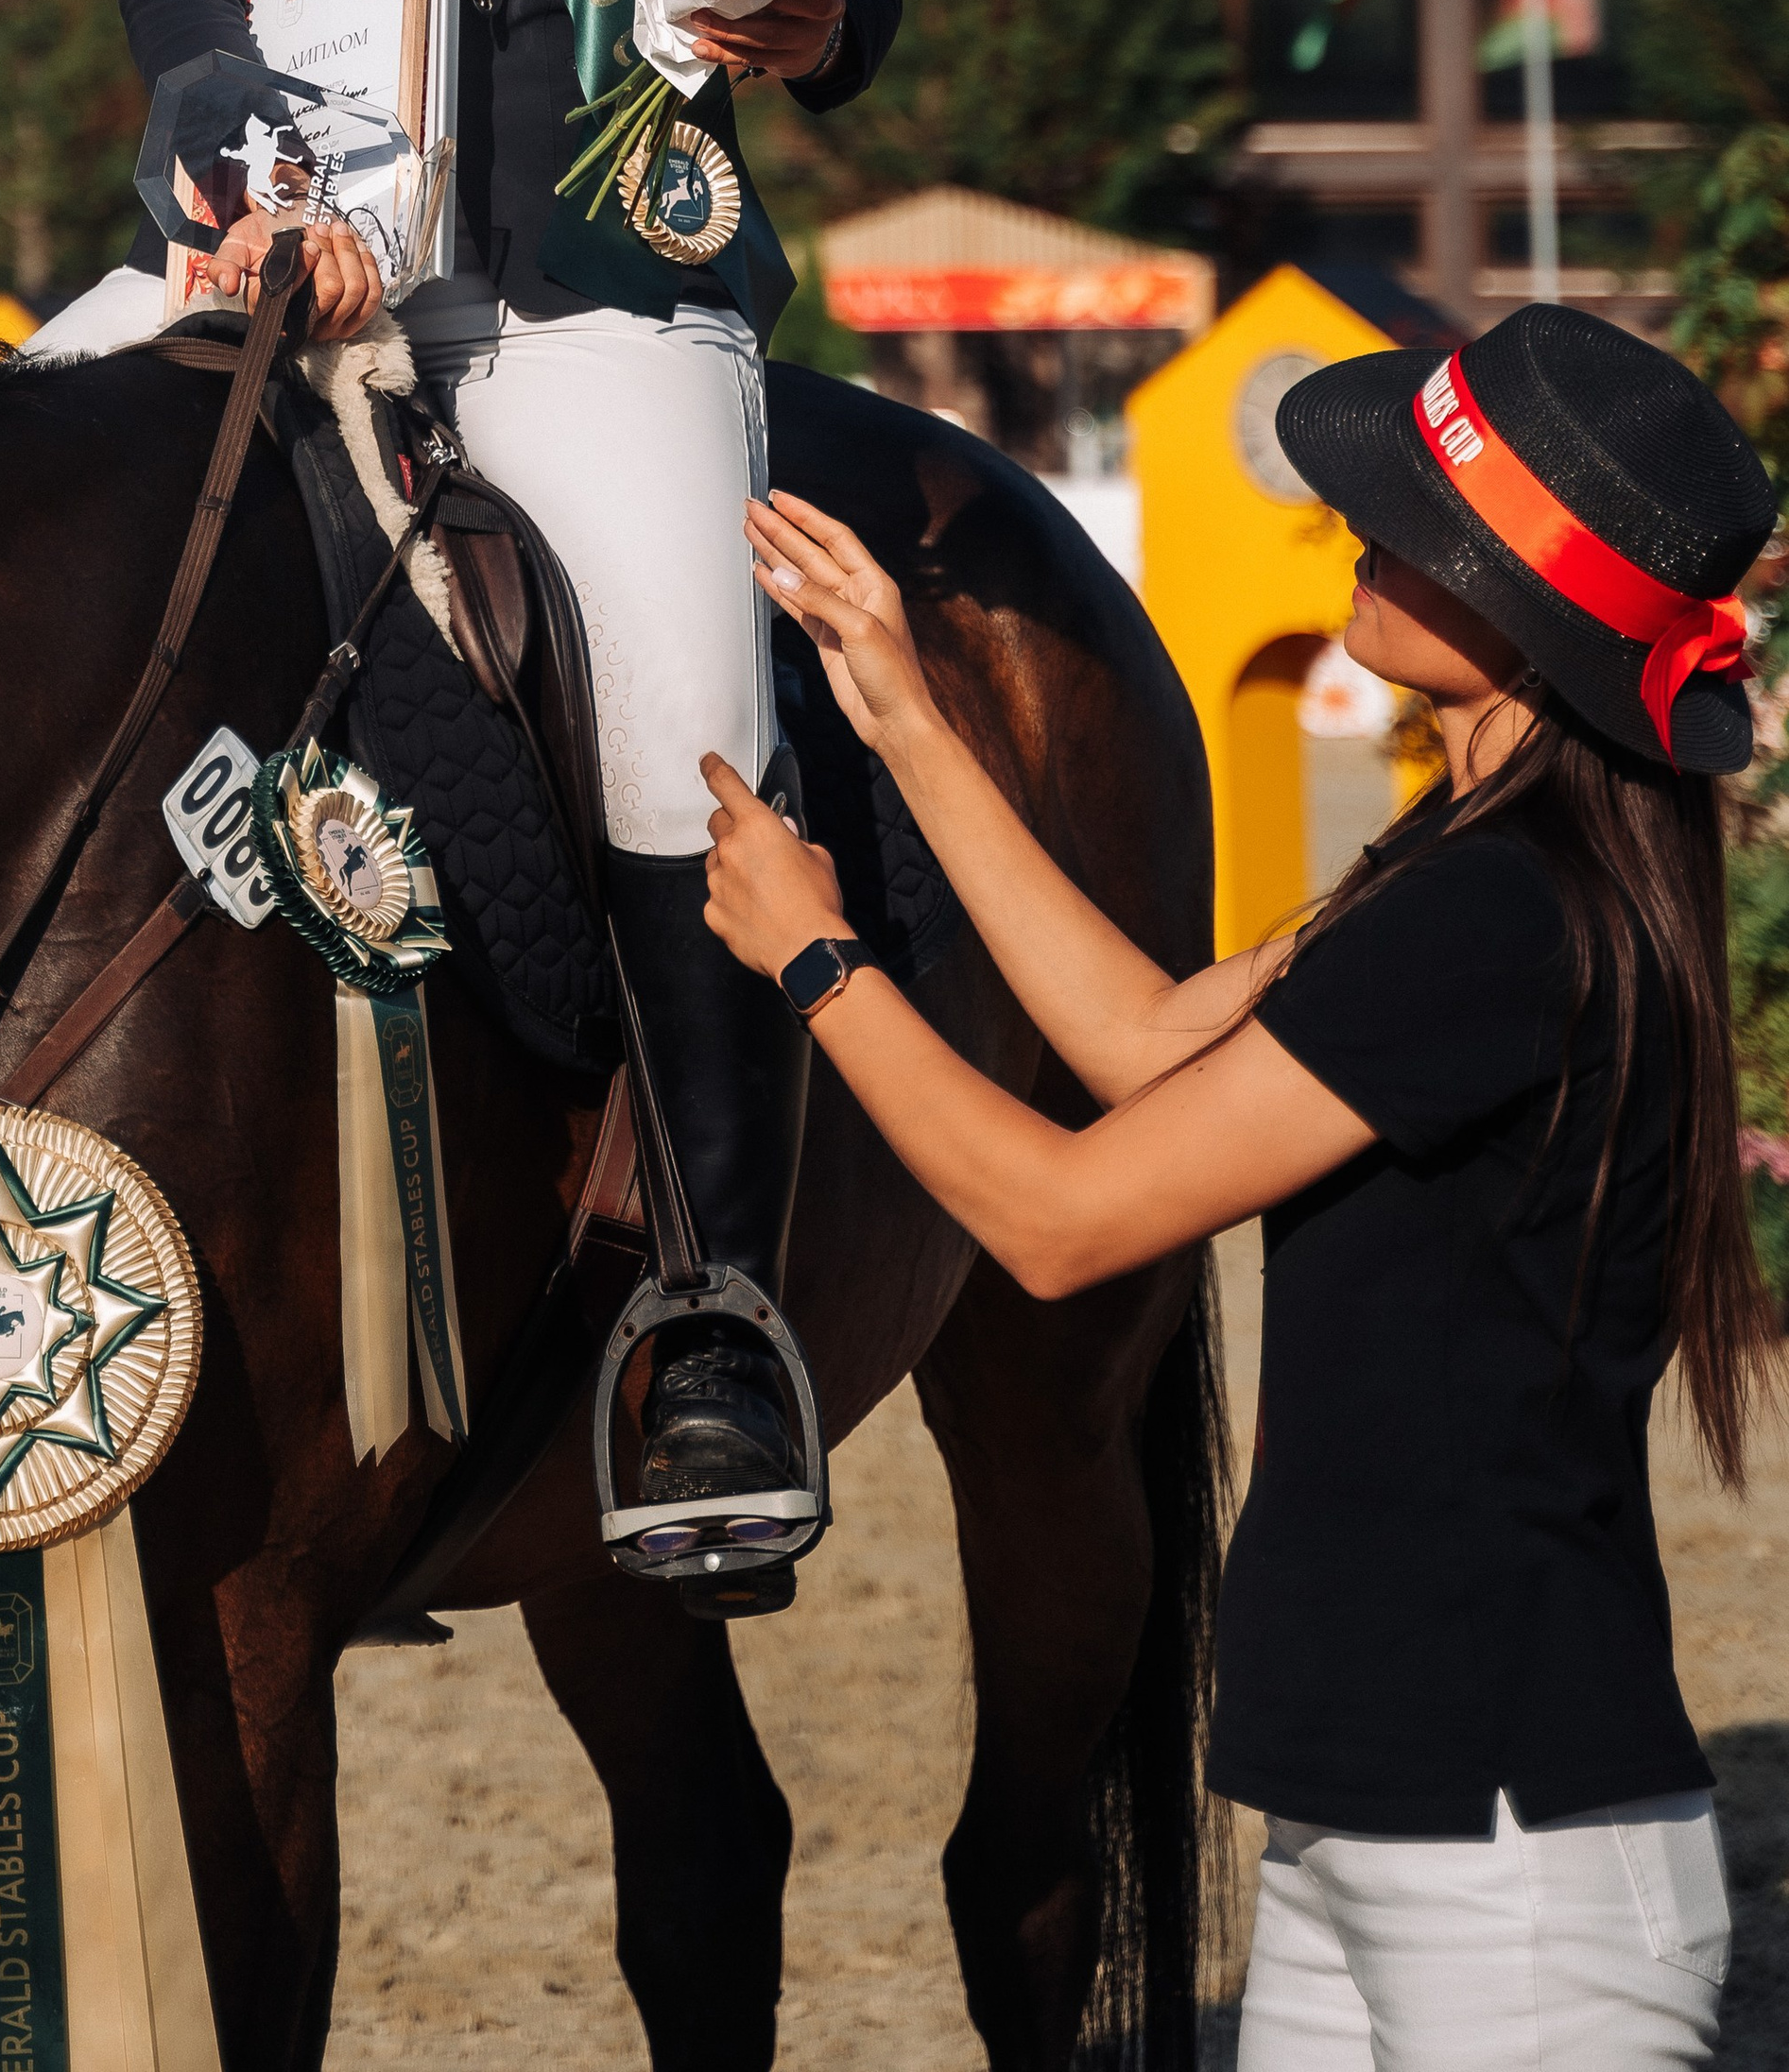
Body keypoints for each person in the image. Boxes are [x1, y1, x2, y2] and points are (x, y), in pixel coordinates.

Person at [89, 0, 902, 1585]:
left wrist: (812, 6)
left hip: (594, 263)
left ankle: (710, 1304)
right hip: (288, 246)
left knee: (680, 673)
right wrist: (237, 178)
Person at [702, 302, 1776, 2061]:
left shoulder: (1501, 919)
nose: (1358, 536)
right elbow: (1138, 1040)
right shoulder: (1463, 862)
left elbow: (1062, 1223)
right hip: (1371, 1826)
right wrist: (902, 717)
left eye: (1416, 524)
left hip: (1510, 1870)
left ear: (1520, 613)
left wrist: (823, 966)